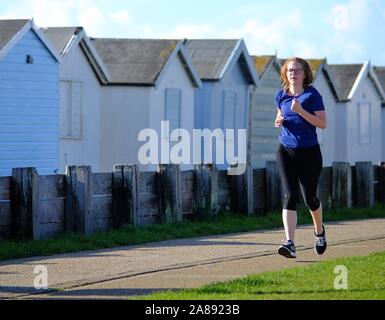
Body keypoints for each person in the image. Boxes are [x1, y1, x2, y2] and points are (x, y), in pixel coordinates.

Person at [274, 57, 327, 258]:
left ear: (305, 74)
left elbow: (322, 123)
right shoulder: (280, 95)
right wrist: (278, 119)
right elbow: (280, 114)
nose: (293, 74)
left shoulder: (313, 96)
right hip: (285, 150)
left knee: (310, 199)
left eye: (297, 70)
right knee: (289, 196)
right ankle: (290, 243)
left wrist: (301, 111)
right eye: (289, 70)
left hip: (309, 153)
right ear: (285, 74)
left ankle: (319, 232)